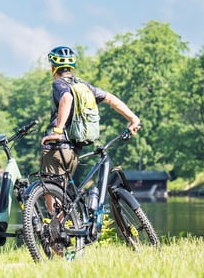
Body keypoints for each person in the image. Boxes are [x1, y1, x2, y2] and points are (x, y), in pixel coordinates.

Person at [39, 45, 141, 185]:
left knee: (50, 193)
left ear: (53, 67)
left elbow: (66, 98)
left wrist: (57, 131)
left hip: (57, 148)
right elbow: (110, 98)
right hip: (74, 150)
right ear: (72, 67)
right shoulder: (83, 86)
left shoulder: (59, 84)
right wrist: (133, 119)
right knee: (63, 195)